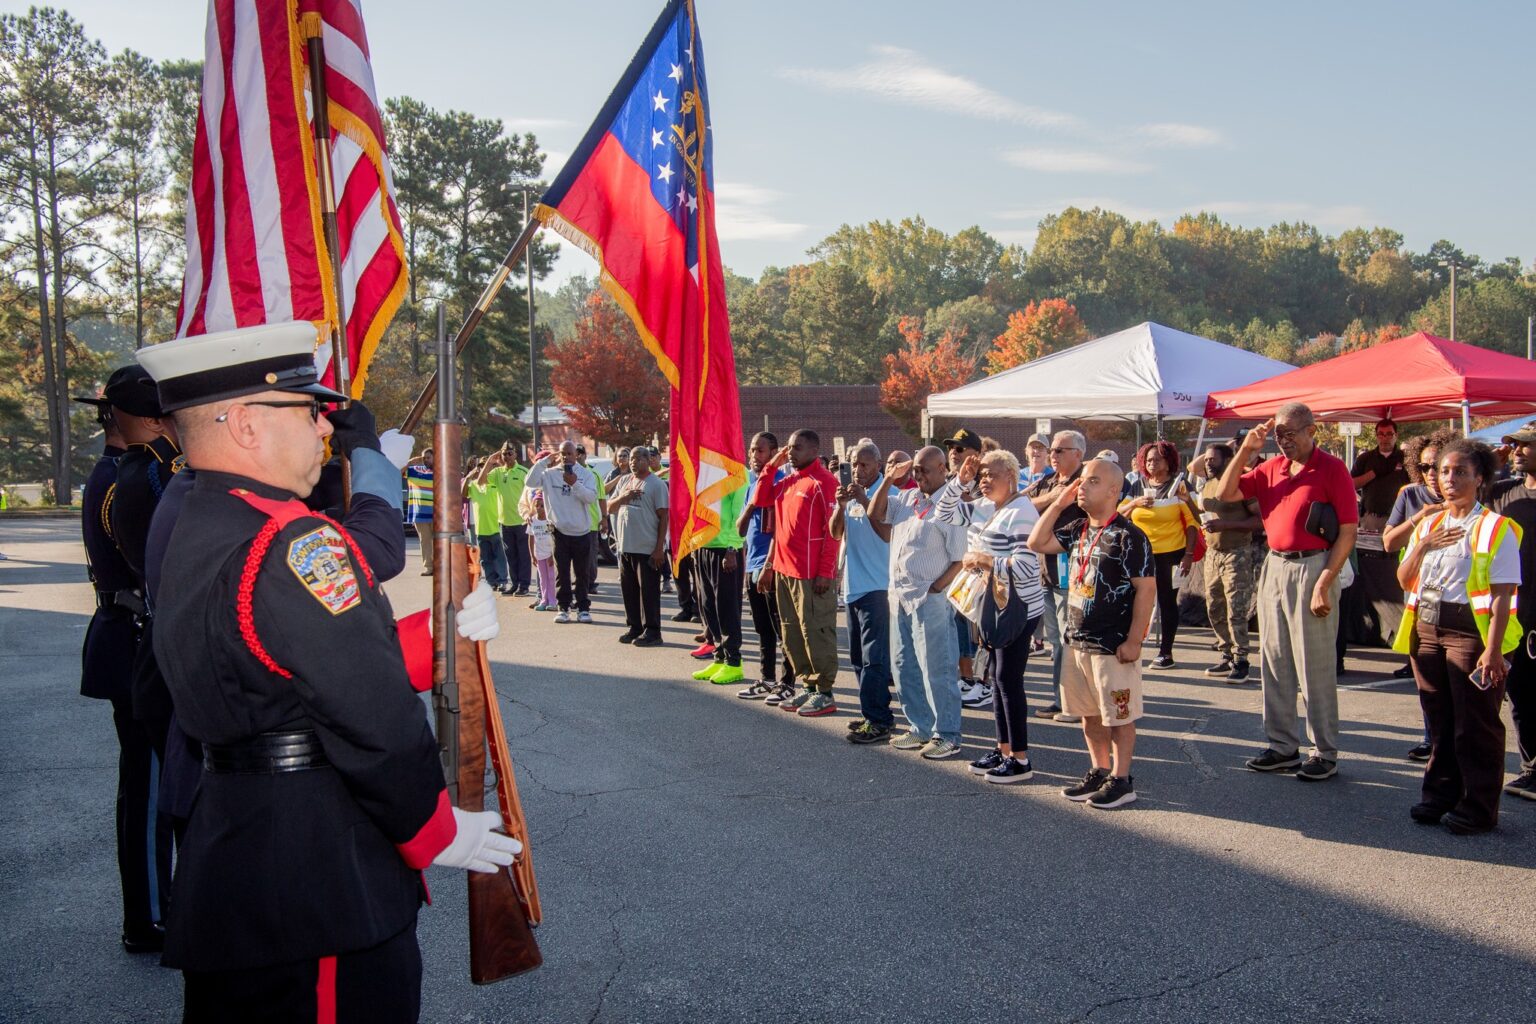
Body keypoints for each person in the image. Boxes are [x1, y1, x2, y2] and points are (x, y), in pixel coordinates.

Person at [136, 321, 518, 1022]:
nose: (324, 430)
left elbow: (284, 658)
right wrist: (436, 829)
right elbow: (370, 714)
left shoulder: (198, 516)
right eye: (309, 410)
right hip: (318, 880)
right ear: (247, 425)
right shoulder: (293, 539)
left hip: (244, 855)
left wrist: (436, 634)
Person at [71, 367, 168, 954]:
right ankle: (151, 915)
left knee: (143, 784)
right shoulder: (125, 478)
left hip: (124, 633)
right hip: (132, 637)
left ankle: (151, 907)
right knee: (151, 787)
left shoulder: (117, 471)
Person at [1216, 402, 1358, 781]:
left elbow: (1348, 531)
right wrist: (1247, 450)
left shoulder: (1332, 468)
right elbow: (1225, 493)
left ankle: (1324, 750)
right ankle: (1282, 746)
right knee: (1275, 660)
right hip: (1275, 565)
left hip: (1314, 565)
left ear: (1312, 431)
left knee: (1315, 665)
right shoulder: (1270, 467)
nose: (1283, 440)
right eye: (1278, 433)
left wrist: (1325, 583)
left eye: (1290, 433)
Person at [1395, 439, 1521, 834]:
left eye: (1459, 472)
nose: (1448, 479)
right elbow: (1403, 577)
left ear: (1480, 478)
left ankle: (1479, 808)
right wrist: (1424, 545)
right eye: (1444, 471)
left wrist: (1494, 650)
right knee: (1439, 716)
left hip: (1470, 633)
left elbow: (1503, 596)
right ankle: (1440, 795)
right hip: (1427, 629)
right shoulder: (1429, 522)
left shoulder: (1495, 528)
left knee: (1475, 723)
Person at [1028, 458, 1155, 809]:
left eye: (1092, 481)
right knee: (1090, 715)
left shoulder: (1130, 536)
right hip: (1077, 640)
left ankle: (1122, 779)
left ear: (1114, 490)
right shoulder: (1079, 528)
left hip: (1112, 646)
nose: (1082, 486)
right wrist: (1058, 503)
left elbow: (1146, 590)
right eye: (1082, 480)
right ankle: (1099, 770)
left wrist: (1134, 640)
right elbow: (1036, 542)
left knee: (1120, 715)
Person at [937, 449, 1046, 777]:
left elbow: (1027, 565)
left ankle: (1021, 759)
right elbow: (942, 514)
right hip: (992, 606)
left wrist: (984, 561)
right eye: (981, 475)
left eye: (990, 475)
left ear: (1011, 477)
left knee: (1008, 680)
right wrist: (960, 481)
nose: (984, 481)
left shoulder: (1022, 512)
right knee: (998, 681)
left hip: (1017, 608)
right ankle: (1003, 749)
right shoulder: (984, 506)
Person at [869, 447, 968, 758]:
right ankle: (920, 727)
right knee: (903, 665)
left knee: (936, 668)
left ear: (942, 468)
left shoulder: (950, 508)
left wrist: (937, 588)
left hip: (929, 597)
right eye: (916, 470)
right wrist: (888, 479)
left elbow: (961, 559)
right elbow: (875, 513)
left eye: (925, 470)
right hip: (899, 596)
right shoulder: (910, 499)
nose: (918, 476)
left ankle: (947, 733)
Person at [753, 429, 841, 717]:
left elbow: (833, 533)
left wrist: (826, 572)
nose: (791, 452)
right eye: (789, 447)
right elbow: (761, 498)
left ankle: (824, 691)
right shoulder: (789, 479)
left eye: (797, 447)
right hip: (783, 571)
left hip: (811, 575)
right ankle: (808, 686)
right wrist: (772, 465)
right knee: (792, 633)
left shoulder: (824, 482)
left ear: (815, 450)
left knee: (815, 632)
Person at [1385, 429, 1454, 747]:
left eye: (1436, 466)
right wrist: (1420, 519)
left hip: (1458, 596)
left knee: (1456, 677)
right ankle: (1432, 739)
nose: (1430, 474)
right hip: (1418, 593)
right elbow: (1389, 542)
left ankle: (1454, 741)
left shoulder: (1463, 493)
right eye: (1424, 467)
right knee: (1427, 674)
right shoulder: (1410, 495)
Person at [832, 442, 893, 742]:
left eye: (865, 465)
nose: (858, 470)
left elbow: (887, 533)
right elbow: (834, 532)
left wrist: (866, 499)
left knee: (875, 659)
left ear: (879, 465)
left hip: (879, 587)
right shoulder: (850, 494)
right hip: (853, 587)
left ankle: (879, 720)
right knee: (857, 657)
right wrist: (842, 507)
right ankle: (872, 711)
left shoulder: (887, 493)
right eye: (854, 464)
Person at [1027, 430, 1089, 721]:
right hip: (1046, 571)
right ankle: (1060, 698)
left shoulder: (1087, 481)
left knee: (1069, 639)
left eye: (1060, 450)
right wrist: (1054, 499)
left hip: (1073, 571)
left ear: (1078, 453)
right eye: (1052, 449)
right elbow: (1025, 505)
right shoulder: (1049, 483)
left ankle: (1074, 703)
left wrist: (1053, 502)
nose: (1053, 454)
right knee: (1055, 641)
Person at [1120, 441, 1199, 670]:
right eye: (1148, 459)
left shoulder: (1178, 485)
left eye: (1157, 459)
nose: (1152, 463)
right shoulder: (1137, 484)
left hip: (1171, 554)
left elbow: (1193, 522)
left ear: (1168, 461)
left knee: (1166, 602)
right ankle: (1131, 644)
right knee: (1134, 600)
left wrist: (1188, 554)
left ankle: (1166, 652)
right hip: (1140, 554)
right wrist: (1135, 503)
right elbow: (1118, 515)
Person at [1489, 422, 1536, 802]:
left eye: (1525, 445)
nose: (1516, 450)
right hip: (1515, 608)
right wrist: (1492, 460)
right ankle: (1531, 769)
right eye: (1513, 445)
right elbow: (1466, 489)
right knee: (1518, 692)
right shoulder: (1504, 491)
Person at [735, 432, 798, 703]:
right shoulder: (754, 485)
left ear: (774, 453)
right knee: (762, 627)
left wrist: (769, 566)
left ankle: (788, 683)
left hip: (773, 566)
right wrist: (750, 506)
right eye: (751, 451)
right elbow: (740, 530)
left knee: (781, 627)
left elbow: (781, 532)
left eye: (760, 451)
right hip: (753, 564)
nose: (754, 456)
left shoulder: (782, 483)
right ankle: (766, 677)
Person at [1191, 444, 1261, 682]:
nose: (1208, 463)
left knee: (1236, 608)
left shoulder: (1241, 483)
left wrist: (1227, 526)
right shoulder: (1208, 483)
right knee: (1214, 606)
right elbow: (1194, 466)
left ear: (1229, 460)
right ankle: (1226, 653)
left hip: (1237, 552)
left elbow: (1259, 520)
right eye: (1207, 459)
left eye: (1213, 459)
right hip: (1213, 553)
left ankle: (1241, 659)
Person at [526, 442, 598, 623]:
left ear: (576, 455)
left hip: (582, 532)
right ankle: (563, 607)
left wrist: (575, 484)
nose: (566, 457)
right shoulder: (549, 474)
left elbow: (591, 498)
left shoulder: (585, 474)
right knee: (562, 572)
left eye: (570, 453)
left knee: (582, 574)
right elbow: (529, 482)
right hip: (559, 531)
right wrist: (543, 463)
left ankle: (583, 608)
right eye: (563, 453)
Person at [609, 446, 668, 647]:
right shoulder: (625, 481)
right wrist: (624, 497)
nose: (633, 462)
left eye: (637, 458)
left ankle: (653, 631)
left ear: (647, 460)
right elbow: (609, 507)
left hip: (647, 548)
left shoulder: (656, 484)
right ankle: (635, 627)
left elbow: (664, 517)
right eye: (631, 459)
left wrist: (659, 548)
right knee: (629, 590)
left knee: (649, 592)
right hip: (626, 547)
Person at [692, 476, 748, 684]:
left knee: (727, 608)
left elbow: (739, 512)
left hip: (725, 549)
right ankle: (719, 656)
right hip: (703, 545)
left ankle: (734, 663)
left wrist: (733, 547)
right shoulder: (707, 467)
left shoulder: (736, 471)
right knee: (708, 606)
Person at [942, 428, 985, 700]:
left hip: (976, 566)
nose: (953, 454)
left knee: (975, 629)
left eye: (960, 449)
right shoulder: (948, 481)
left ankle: (981, 682)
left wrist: (965, 486)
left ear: (976, 455)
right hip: (949, 564)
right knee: (955, 626)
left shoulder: (986, 482)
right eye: (951, 448)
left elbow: (980, 512)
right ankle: (964, 677)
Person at [1351, 418, 1409, 537]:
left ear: (1396, 435)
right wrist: (1372, 474)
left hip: (1400, 518)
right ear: (1376, 436)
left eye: (1389, 434)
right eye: (1381, 434)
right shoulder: (1365, 458)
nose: (1385, 438)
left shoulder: (1405, 458)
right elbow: (1350, 484)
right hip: (1372, 519)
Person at [487, 445, 530, 596]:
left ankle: (524, 585)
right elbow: (480, 481)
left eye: (509, 453)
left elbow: (531, 493)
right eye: (504, 454)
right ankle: (515, 583)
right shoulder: (498, 472)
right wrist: (490, 461)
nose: (506, 456)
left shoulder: (523, 472)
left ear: (515, 454)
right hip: (504, 522)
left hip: (521, 521)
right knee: (510, 556)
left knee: (523, 555)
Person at [465, 457, 509, 592]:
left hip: (495, 526)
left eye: (486, 466)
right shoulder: (473, 484)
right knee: (485, 558)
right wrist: (468, 477)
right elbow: (463, 494)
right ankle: (491, 581)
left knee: (499, 557)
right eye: (481, 466)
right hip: (480, 528)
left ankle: (502, 580)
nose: (483, 469)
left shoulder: (495, 483)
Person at [575, 445, 608, 593]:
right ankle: (579, 582)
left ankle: (590, 583)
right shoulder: (565, 473)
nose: (577, 456)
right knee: (576, 556)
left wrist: (604, 518)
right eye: (574, 453)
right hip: (574, 522)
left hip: (591, 522)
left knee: (590, 555)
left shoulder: (593, 474)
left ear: (584, 456)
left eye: (580, 453)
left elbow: (602, 498)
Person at [522, 489, 557, 611]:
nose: (539, 508)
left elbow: (553, 538)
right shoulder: (533, 521)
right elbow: (531, 538)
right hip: (539, 554)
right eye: (537, 505)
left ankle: (553, 601)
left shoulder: (549, 521)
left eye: (542, 505)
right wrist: (532, 555)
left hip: (549, 554)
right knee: (543, 579)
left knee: (551, 577)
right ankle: (544, 600)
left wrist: (553, 555)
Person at [403, 448, 434, 575]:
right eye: (424, 457)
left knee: (439, 541)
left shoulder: (441, 472)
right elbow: (398, 471)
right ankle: (429, 567)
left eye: (428, 457)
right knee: (425, 541)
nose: (426, 460)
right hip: (420, 514)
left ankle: (441, 567)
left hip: (437, 513)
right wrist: (411, 461)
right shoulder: (415, 471)